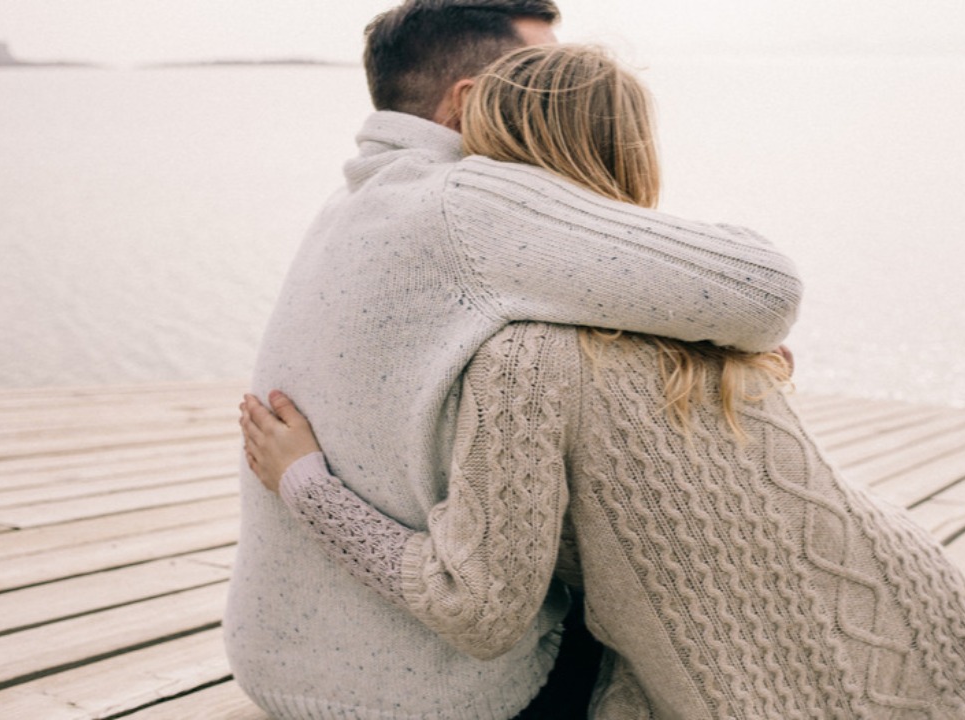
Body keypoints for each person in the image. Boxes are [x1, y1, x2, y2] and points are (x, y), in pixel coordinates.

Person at [241, 44, 965, 719]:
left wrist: (306, 483)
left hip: (767, 690)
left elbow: (474, 607)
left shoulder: (523, 357)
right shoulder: (693, 321)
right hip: (916, 612)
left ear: (495, 153)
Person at [223, 1, 803, 719]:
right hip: (435, 694)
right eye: (538, 74)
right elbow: (762, 288)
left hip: (276, 661)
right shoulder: (466, 202)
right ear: (470, 101)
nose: (558, 85)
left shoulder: (350, 201)